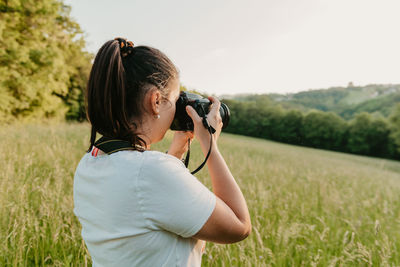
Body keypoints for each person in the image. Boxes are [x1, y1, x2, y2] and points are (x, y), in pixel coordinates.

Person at [73, 38, 251, 267]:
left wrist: (175, 152)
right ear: (156, 101)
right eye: (175, 100)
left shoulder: (91, 162)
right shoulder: (151, 172)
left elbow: (143, 208)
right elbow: (239, 226)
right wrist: (210, 144)